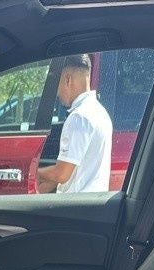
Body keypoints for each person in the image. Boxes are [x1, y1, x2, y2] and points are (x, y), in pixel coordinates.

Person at [37, 54, 113, 194]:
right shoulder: (100, 112)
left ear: (68, 79)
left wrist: (31, 173)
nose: (57, 93)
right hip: (92, 201)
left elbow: (61, 175)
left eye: (57, 84)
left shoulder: (78, 117)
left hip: (75, 203)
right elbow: (69, 171)